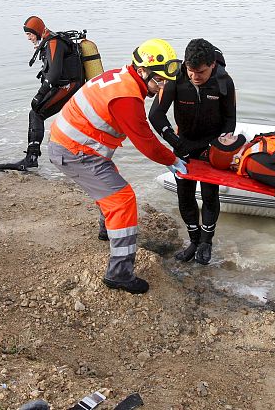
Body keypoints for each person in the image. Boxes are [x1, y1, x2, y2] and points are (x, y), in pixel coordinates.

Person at [48, 39, 187, 294]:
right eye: (159, 80)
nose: (162, 86)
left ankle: (107, 231)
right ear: (143, 71)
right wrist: (173, 160)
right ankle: (119, 273)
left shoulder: (120, 77)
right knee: (122, 200)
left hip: (74, 145)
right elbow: (145, 142)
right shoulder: (127, 98)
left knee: (111, 185)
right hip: (75, 151)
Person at [149, 38, 236, 265]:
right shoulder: (175, 78)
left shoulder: (224, 82)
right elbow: (156, 115)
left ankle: (207, 242)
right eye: (191, 71)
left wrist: (220, 146)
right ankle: (194, 241)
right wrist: (175, 142)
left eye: (202, 72)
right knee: (184, 194)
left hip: (210, 146)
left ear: (213, 66)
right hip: (183, 143)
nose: (196, 77)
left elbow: (230, 120)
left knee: (209, 194)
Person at [11, 16, 85, 171]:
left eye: (30, 34)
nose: (29, 38)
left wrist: (39, 94)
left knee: (37, 112)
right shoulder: (49, 41)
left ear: (37, 31)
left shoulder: (53, 42)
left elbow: (54, 74)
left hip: (69, 86)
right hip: (68, 85)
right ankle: (70, 156)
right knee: (55, 117)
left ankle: (31, 158)